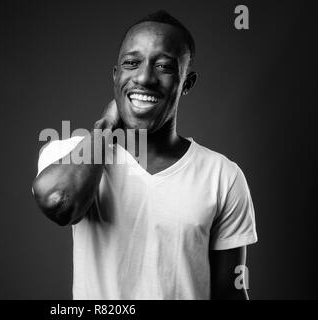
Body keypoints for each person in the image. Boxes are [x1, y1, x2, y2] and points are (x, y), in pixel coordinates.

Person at [32, 10, 257, 300]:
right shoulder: (70, 153)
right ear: (116, 76)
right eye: (131, 63)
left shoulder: (222, 176)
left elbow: (230, 293)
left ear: (186, 83)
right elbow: (59, 202)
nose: (144, 77)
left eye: (164, 66)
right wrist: (104, 128)